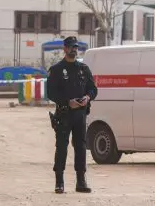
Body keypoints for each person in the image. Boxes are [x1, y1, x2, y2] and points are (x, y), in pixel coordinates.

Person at [47, 36, 98, 194]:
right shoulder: (56, 70)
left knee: (81, 148)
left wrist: (87, 97)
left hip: (80, 115)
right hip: (64, 114)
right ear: (64, 49)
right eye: (70, 47)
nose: (73, 49)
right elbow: (50, 93)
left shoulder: (83, 69)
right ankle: (59, 182)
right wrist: (67, 102)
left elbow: (93, 89)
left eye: (75, 47)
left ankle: (81, 182)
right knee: (62, 148)